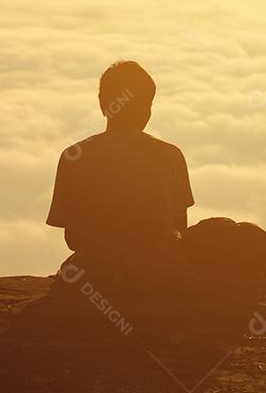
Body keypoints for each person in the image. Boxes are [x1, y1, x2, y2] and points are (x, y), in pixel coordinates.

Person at [46, 60, 195, 289]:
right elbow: (180, 229)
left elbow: (73, 238)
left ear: (102, 104)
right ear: (147, 107)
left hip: (96, 272)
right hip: (158, 271)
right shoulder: (170, 155)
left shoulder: (73, 156)